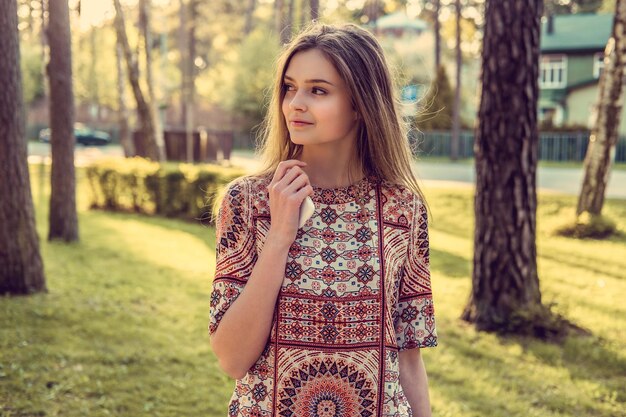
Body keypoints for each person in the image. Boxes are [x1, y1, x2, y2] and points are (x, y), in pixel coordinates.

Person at [209, 23, 437, 417]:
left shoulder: (403, 209)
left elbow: (409, 359)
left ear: (361, 104)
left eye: (318, 90)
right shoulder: (247, 201)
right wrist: (279, 236)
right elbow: (232, 358)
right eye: (289, 87)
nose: (295, 103)